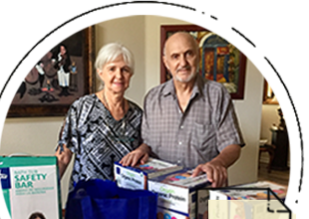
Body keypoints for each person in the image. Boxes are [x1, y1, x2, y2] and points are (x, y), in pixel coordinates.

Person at [120, 32, 245, 187]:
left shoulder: (217, 94)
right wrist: (140, 150)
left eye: (189, 54)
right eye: (175, 57)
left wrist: (217, 163)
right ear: (166, 62)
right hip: (162, 193)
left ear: (198, 56)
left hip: (203, 192)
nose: (183, 62)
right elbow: (148, 143)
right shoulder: (152, 98)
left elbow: (232, 145)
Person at [55, 43, 142, 191]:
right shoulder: (81, 108)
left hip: (123, 201)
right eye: (112, 69)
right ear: (100, 73)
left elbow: (144, 154)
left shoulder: (138, 115)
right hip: (85, 200)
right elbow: (63, 157)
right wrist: (46, 194)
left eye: (125, 70)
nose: (119, 75)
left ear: (131, 75)